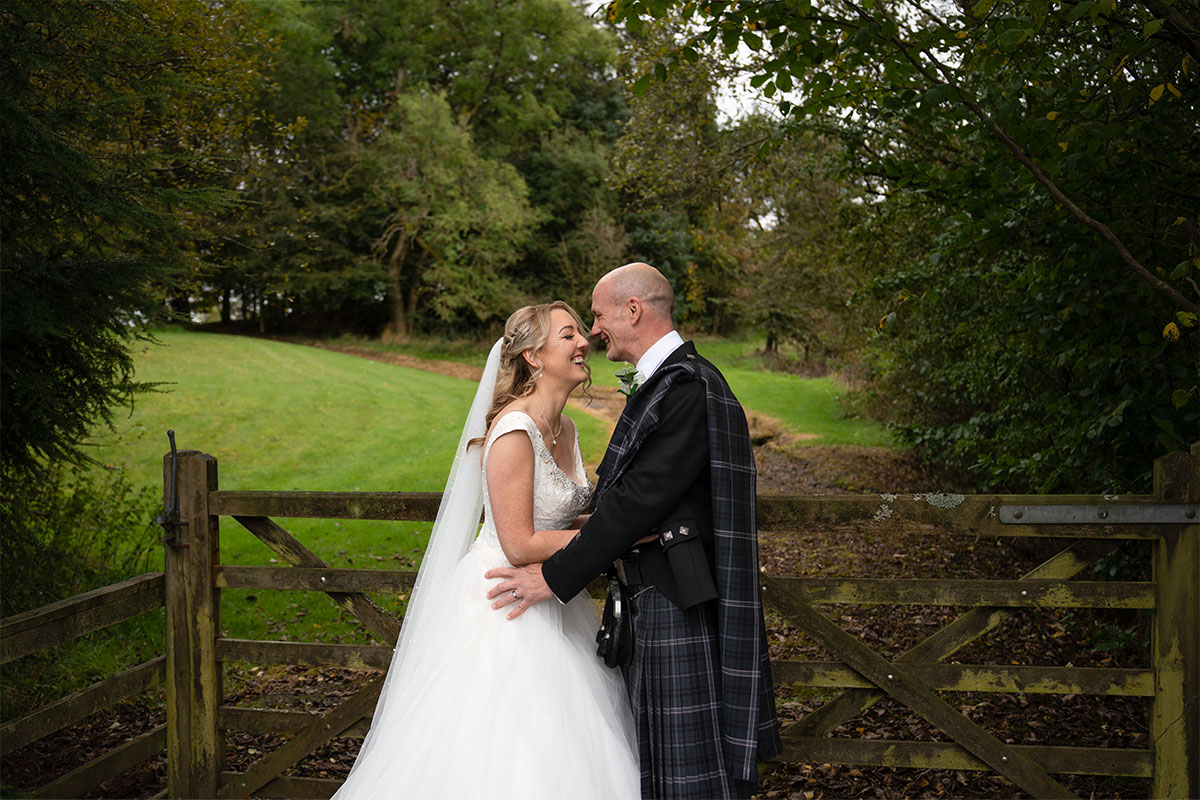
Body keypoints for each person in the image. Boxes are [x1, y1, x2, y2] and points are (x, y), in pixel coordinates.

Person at [487, 263, 783, 799]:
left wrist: (554, 577)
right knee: (663, 763)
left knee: (689, 772)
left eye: (597, 317)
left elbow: (637, 503)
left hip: (675, 598)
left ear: (633, 310)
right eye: (577, 328)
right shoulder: (673, 384)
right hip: (657, 594)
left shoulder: (687, 388)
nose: (594, 332)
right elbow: (624, 508)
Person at [333, 301, 640, 800]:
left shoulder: (568, 428)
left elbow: (560, 520)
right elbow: (520, 543)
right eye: (569, 335)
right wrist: (620, 536)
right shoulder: (515, 430)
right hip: (507, 603)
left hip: (554, 595)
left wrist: (623, 521)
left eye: (581, 333)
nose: (584, 342)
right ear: (535, 357)